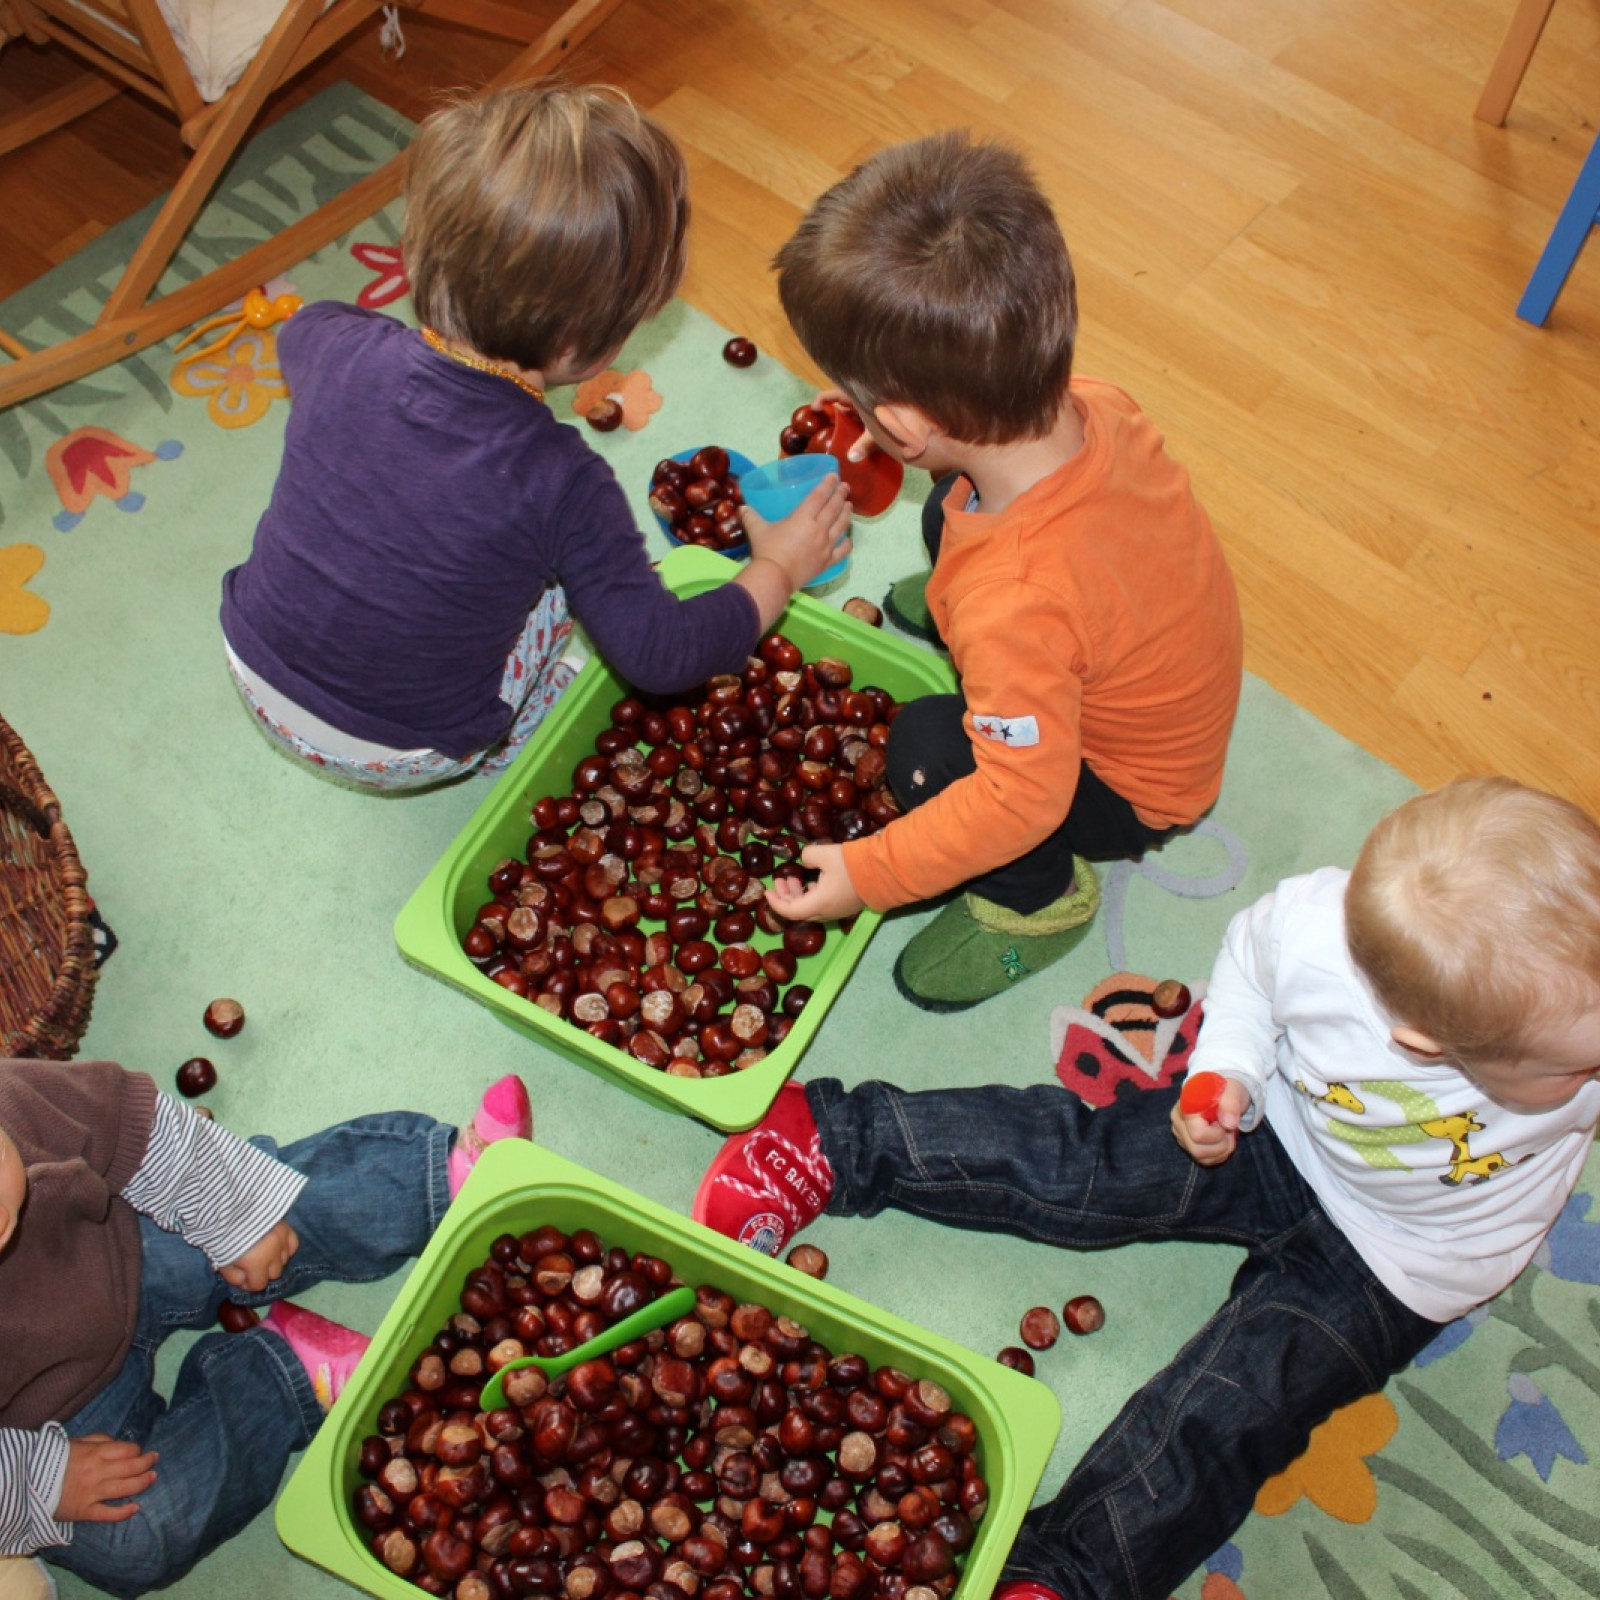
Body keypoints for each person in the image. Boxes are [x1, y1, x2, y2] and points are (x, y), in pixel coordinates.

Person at [694, 776, 1600, 1599]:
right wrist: (1225, 1071)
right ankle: (840, 1140)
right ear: (1424, 1044)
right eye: (1574, 1071)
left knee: (1238, 1409)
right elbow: (1248, 974)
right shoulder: (1321, 935)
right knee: (1073, 1164)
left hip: (1407, 1259)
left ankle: (1069, 1576)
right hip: (1273, 1128)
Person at [221, 82, 850, 791]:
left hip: (252, 665)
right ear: (586, 345)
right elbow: (660, 655)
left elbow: (302, 330)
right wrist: (778, 569)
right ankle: (523, 731)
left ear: (415, 253)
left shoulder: (338, 347)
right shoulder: (563, 480)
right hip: (407, 748)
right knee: (564, 586)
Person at [762, 131, 1242, 1010]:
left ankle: (1040, 900)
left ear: (904, 427)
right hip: (1104, 635)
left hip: (1128, 790)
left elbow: (1020, 802)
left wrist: (870, 874)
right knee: (950, 505)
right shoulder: (1096, 404)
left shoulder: (1015, 600)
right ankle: (989, 629)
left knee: (925, 748)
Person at [0, 1060, 534, 1596]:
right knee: (138, 1537)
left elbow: (134, 1123)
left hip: (113, 1246)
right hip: (50, 1425)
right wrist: (40, 1483)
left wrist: (233, 1215)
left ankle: (435, 1177)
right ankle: (281, 1373)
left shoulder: (14, 1101)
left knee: (272, 1205)